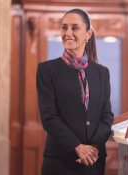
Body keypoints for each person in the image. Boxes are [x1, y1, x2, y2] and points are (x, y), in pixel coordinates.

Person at [36, 8, 114, 175]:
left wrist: (92, 148)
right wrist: (78, 148)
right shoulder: (47, 70)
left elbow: (106, 116)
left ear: (88, 34)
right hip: (59, 163)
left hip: (94, 162)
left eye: (75, 28)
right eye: (64, 28)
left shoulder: (102, 72)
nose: (68, 33)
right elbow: (49, 117)